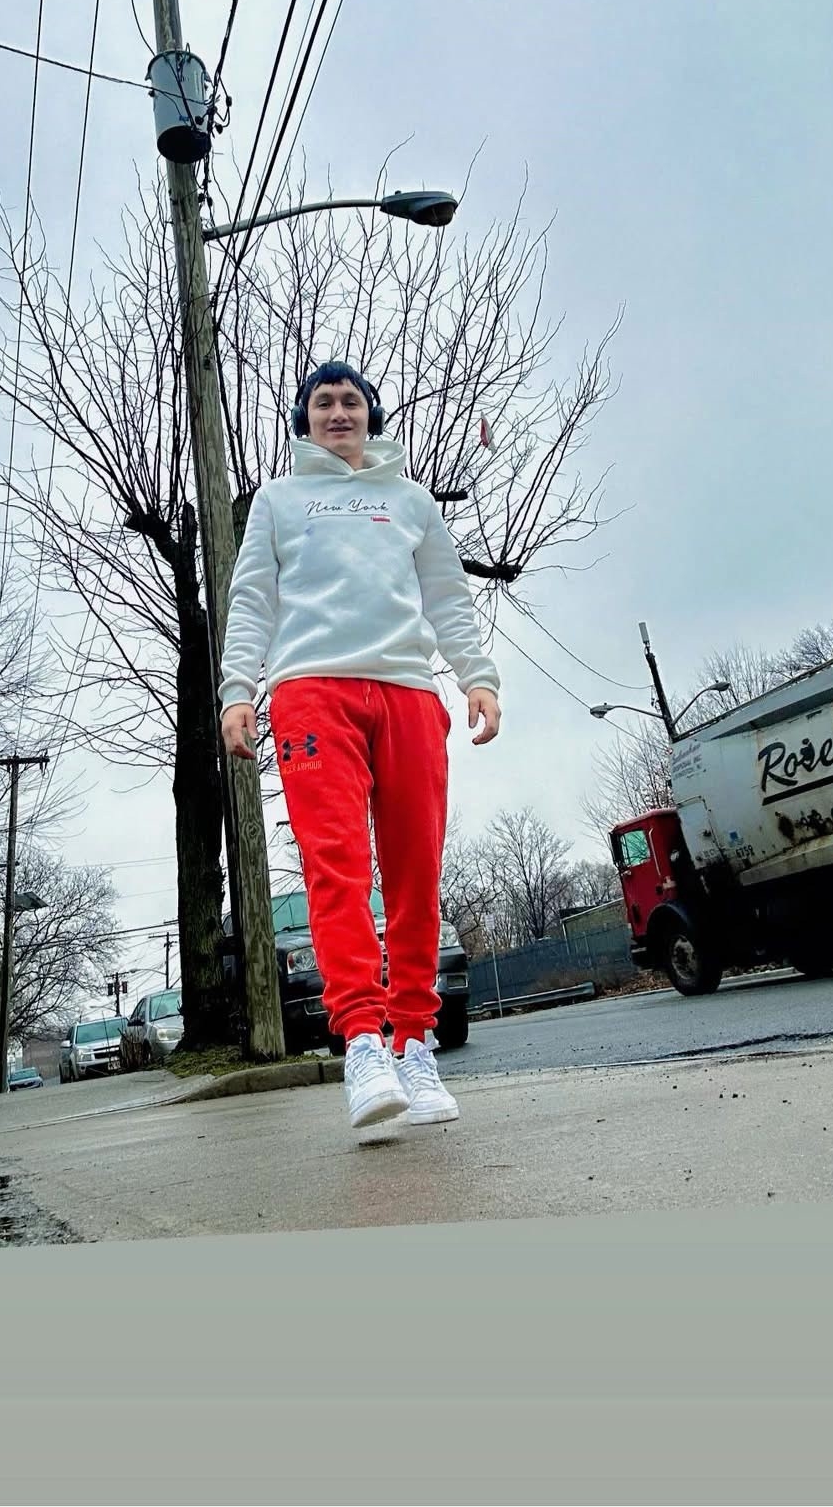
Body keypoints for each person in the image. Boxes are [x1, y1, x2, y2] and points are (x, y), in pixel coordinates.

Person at [219, 361, 501, 1135]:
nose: (338, 412)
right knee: (335, 865)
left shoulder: (410, 501)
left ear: (370, 416)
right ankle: (364, 1047)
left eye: (351, 401)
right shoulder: (278, 500)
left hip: (407, 690)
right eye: (324, 402)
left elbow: (448, 594)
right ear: (304, 420)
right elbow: (252, 599)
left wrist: (477, 677)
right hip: (312, 691)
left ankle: (414, 1043)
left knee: (416, 873)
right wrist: (239, 689)